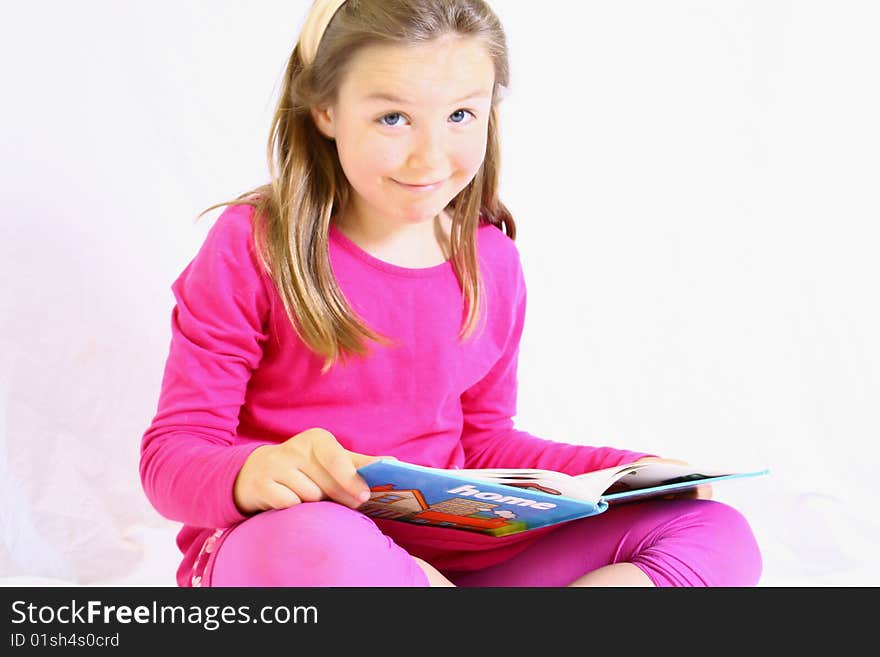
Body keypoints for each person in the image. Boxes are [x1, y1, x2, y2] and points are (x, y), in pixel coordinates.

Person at [139, 0, 762, 587]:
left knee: (713, 531)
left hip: (449, 555)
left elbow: (488, 442)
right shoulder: (252, 245)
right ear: (325, 110)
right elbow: (172, 456)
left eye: (461, 115)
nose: (429, 156)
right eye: (393, 118)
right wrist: (251, 472)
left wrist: (634, 474)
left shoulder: (490, 259)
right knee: (314, 542)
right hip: (297, 545)